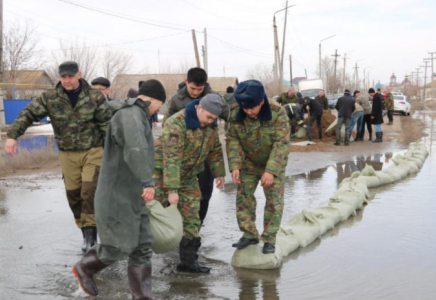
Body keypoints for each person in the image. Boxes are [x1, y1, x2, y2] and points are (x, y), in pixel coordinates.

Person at [72, 79, 167, 299]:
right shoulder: (131, 115)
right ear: (151, 99)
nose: (158, 110)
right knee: (117, 244)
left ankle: (142, 295)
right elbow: (135, 150)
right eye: (159, 104)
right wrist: (147, 181)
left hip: (134, 194)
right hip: (117, 193)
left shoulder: (140, 116)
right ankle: (84, 268)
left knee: (142, 245)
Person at [5, 61, 111, 253]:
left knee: (89, 191)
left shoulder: (94, 96)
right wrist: (13, 136)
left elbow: (106, 125)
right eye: (63, 77)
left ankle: (90, 239)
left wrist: (113, 152)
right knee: (74, 195)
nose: (67, 80)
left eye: (70, 76)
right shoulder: (51, 98)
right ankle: (85, 229)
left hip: (93, 151)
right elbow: (28, 113)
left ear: (79, 74)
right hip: (67, 153)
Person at [153, 94, 225, 273]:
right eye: (209, 117)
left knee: (192, 217)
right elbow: (171, 159)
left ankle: (187, 262)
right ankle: (135, 257)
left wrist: (219, 173)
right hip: (162, 175)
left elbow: (215, 149)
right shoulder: (176, 123)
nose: (210, 122)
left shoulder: (210, 125)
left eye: (214, 119)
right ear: (199, 108)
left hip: (189, 176)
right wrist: (172, 190)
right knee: (154, 215)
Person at [227, 80, 290, 254]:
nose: (248, 112)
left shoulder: (278, 112)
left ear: (261, 101)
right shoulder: (235, 112)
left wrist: (270, 171)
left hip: (273, 162)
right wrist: (235, 165)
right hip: (248, 162)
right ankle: (249, 234)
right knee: (243, 197)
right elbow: (233, 139)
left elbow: (281, 143)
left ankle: (269, 238)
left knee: (274, 201)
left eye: (251, 108)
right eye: (244, 109)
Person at [163, 67, 228, 226]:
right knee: (174, 191)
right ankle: (176, 224)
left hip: (203, 153)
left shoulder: (213, 98)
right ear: (186, 82)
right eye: (193, 88)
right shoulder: (177, 100)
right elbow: (167, 124)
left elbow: (229, 116)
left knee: (204, 191)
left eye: (200, 89)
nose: (195, 92)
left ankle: (197, 223)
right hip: (182, 152)